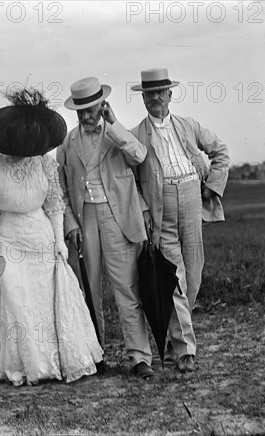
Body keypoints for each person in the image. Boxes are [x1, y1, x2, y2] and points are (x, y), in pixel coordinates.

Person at [0, 88, 103, 386]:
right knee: (17, 303)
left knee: (47, 301)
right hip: (9, 240)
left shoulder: (46, 164)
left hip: (42, 237)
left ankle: (54, 361)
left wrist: (59, 240)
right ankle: (26, 366)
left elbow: (54, 204)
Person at [130, 68, 230, 373]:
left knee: (193, 276)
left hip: (191, 200)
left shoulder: (189, 126)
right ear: (144, 98)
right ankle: (186, 350)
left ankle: (173, 343)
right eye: (150, 94)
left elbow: (222, 153)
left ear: (171, 95)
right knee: (173, 278)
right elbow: (131, 180)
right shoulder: (136, 136)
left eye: (161, 92)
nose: (155, 98)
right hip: (161, 209)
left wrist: (211, 187)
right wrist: (144, 209)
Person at [56, 77, 155, 380]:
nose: (86, 115)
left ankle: (139, 357)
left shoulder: (115, 132)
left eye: (91, 109)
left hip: (118, 217)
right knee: (89, 288)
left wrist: (114, 124)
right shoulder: (68, 142)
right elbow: (59, 187)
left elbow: (139, 156)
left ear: (103, 105)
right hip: (84, 217)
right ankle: (94, 354)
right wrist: (70, 223)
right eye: (81, 111)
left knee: (127, 287)